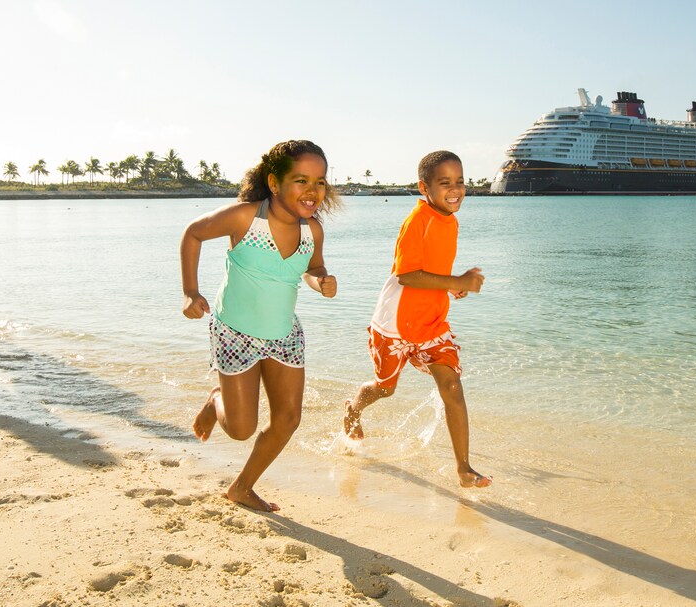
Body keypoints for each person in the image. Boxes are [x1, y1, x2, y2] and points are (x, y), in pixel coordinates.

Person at [182, 140, 339, 512]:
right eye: (301, 180)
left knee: (288, 419)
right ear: (274, 182)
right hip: (234, 332)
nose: (312, 191)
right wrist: (191, 292)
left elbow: (312, 269)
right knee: (239, 429)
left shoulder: (312, 232)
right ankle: (216, 399)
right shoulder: (245, 217)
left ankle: (241, 487)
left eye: (320, 182)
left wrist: (322, 281)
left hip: (284, 335)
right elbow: (193, 233)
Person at [342, 150, 491, 488]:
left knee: (452, 385)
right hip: (396, 321)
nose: (455, 189)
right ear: (425, 187)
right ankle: (353, 408)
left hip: (432, 322)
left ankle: (464, 469)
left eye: (460, 182)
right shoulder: (417, 220)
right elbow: (407, 275)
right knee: (385, 388)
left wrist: (452, 286)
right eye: (445, 183)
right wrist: (455, 282)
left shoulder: (449, 219)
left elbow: (431, 268)